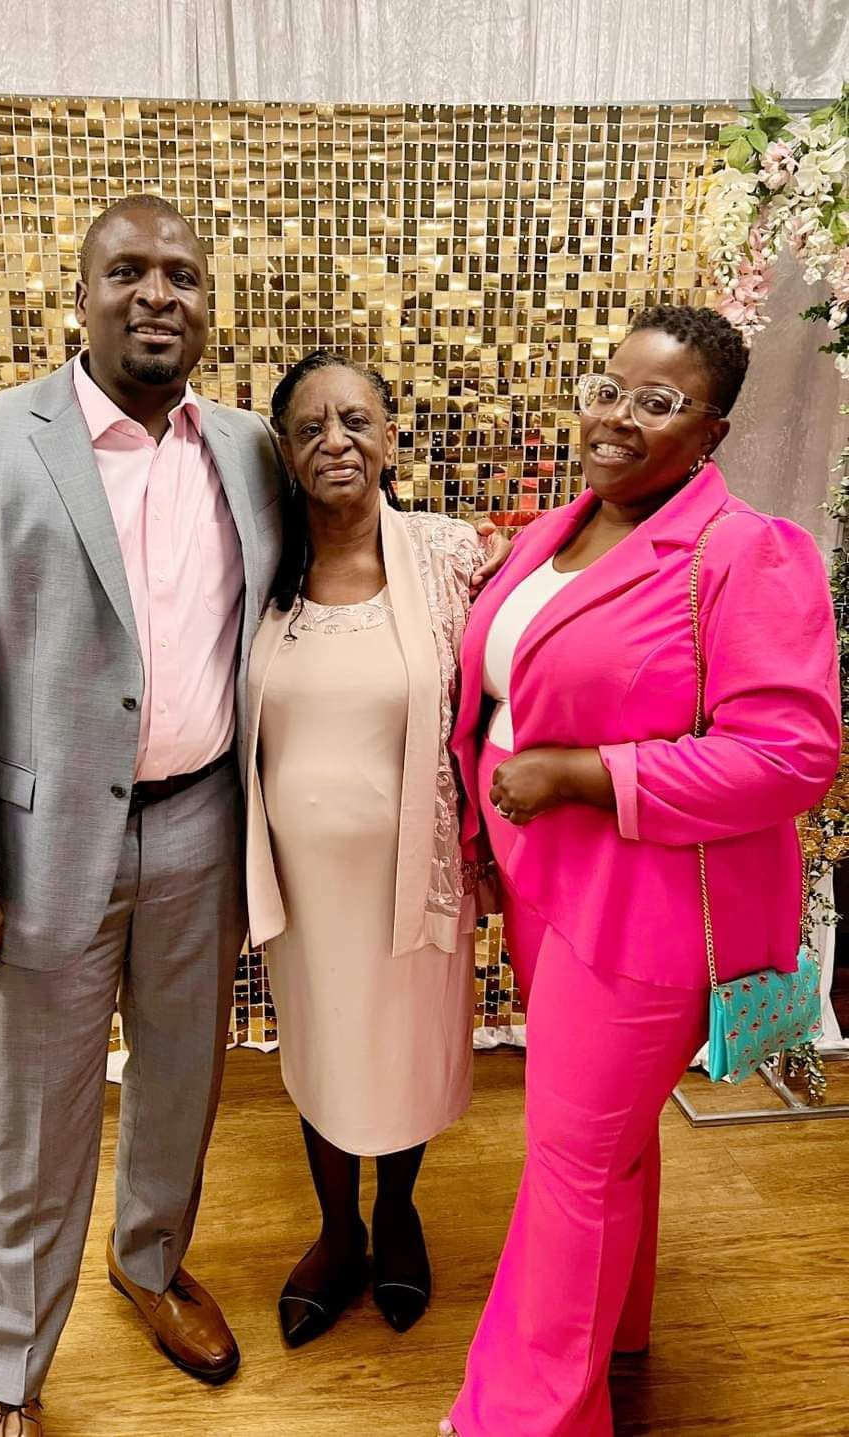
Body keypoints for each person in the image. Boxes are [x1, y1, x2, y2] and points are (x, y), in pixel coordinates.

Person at [0, 195, 284, 1437]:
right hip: (42, 846)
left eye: (183, 274)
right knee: (38, 1120)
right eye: (128, 271)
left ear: (208, 307)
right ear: (81, 297)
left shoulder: (250, 449)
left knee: (182, 1082)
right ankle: (11, 1371)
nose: (157, 293)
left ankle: (150, 1263)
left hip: (203, 824)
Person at [442, 304, 841, 1436]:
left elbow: (791, 755)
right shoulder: (554, 531)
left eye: (659, 402)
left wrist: (585, 774)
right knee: (605, 1146)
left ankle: (528, 1416)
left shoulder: (747, 553)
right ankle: (614, 1330)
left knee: (570, 1159)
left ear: (712, 432)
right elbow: (504, 694)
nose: (617, 418)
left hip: (643, 915)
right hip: (548, 887)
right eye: (608, 389)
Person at [244, 350, 496, 1349]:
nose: (335, 441)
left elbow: (520, 659)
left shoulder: (446, 555)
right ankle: (337, 1230)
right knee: (325, 1044)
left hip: (414, 873)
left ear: (390, 436)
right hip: (303, 887)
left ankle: (396, 1215)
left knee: (401, 1048)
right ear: (285, 452)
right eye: (310, 428)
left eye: (355, 420)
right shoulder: (260, 569)